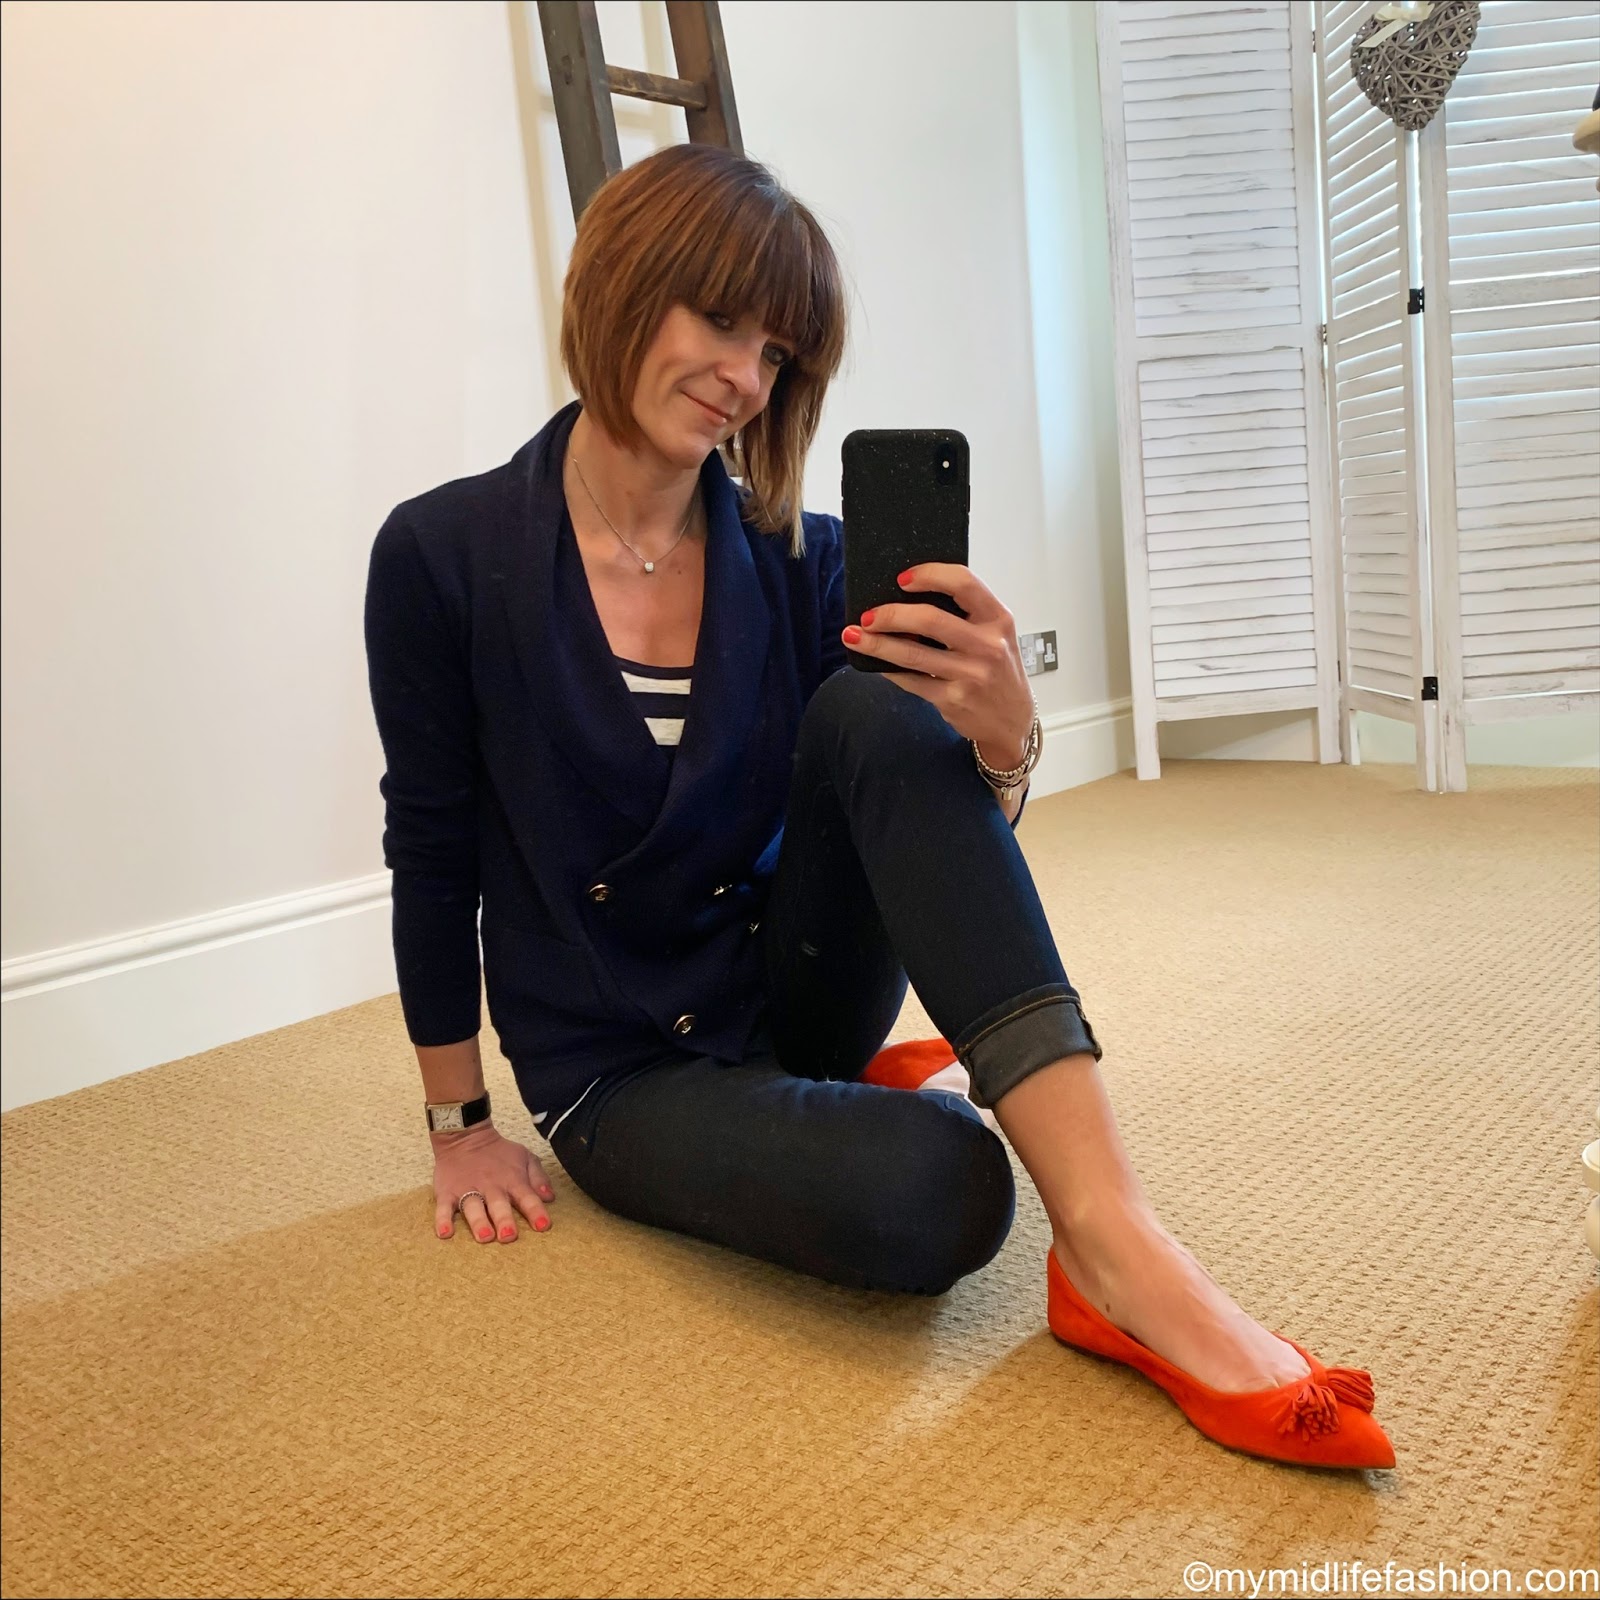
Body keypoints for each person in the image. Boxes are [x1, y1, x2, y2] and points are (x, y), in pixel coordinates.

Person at [363, 143, 1393, 1470]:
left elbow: (928, 852)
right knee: (940, 1190)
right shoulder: (443, 556)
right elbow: (431, 849)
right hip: (623, 1065)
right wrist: (459, 1128)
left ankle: (1119, 1244)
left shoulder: (808, 557)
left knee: (883, 705)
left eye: (776, 354)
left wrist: (1005, 747)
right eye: (720, 321)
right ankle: (889, 1123)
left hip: (795, 987)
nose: (746, 378)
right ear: (618, 283)